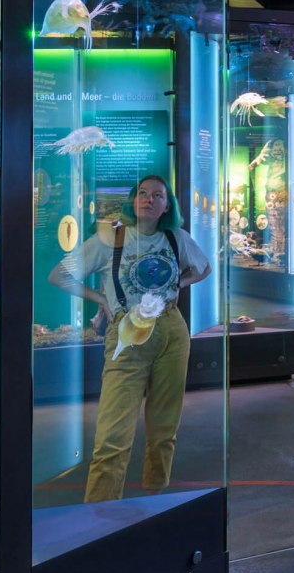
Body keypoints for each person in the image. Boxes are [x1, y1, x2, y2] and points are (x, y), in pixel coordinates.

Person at [48, 175, 212, 502]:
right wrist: (101, 298)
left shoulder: (176, 237)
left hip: (171, 330)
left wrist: (178, 285)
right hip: (127, 332)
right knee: (112, 435)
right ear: (132, 201)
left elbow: (203, 268)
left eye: (157, 195)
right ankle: (100, 514)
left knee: (164, 427)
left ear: (167, 206)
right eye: (142, 193)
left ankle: (155, 496)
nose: (148, 199)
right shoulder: (111, 238)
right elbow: (59, 275)